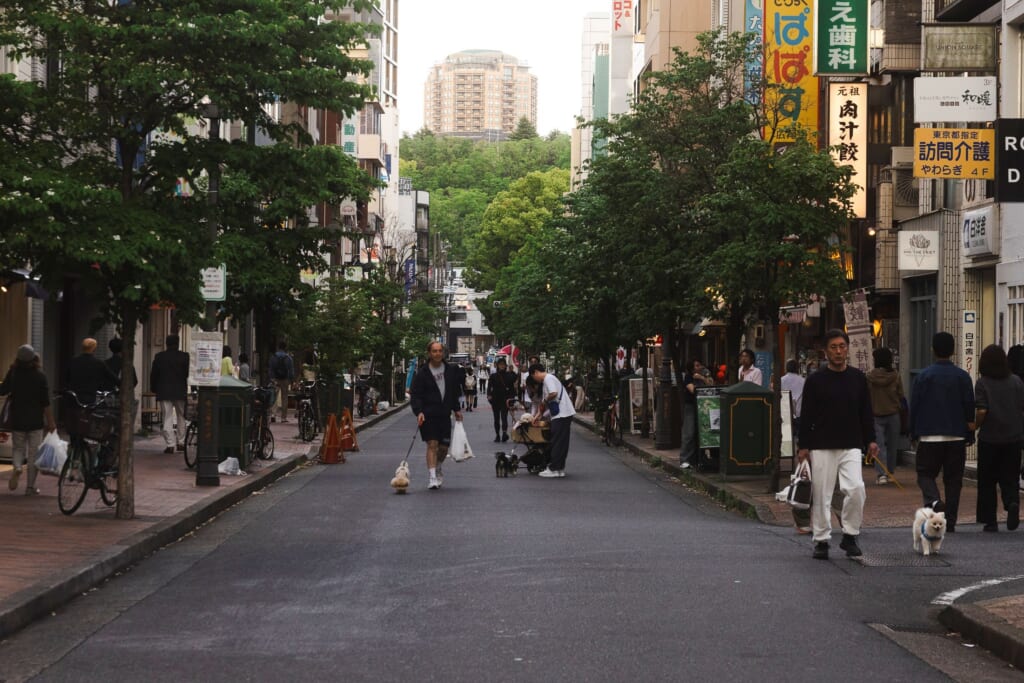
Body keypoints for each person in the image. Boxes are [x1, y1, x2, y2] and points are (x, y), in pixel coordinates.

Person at [798, 329, 877, 560]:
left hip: (851, 443)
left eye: (842, 346)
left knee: (856, 488)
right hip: (821, 444)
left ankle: (850, 535)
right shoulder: (815, 380)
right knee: (822, 494)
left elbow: (865, 411)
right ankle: (821, 540)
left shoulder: (858, 378)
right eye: (833, 347)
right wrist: (803, 445)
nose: (839, 351)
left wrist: (871, 439)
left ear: (848, 349)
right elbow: (807, 415)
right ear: (825, 351)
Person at [909, 331, 975, 533]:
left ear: (933, 350)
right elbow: (969, 406)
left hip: (929, 435)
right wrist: (969, 433)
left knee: (925, 474)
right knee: (954, 480)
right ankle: (951, 521)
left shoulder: (923, 376)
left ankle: (935, 501)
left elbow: (915, 406)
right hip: (956, 434)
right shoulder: (962, 377)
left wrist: (913, 432)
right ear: (953, 350)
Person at [973, 344, 1023, 532]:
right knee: (1010, 477)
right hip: (1014, 437)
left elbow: (982, 410)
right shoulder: (1016, 381)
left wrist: (975, 425)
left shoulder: (982, 383)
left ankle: (990, 520)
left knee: (987, 480)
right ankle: (1011, 502)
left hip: (990, 438)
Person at [1, 345, 56, 495]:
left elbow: (3, 390)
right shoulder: (40, 375)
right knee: (33, 454)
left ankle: (18, 467)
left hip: (17, 418)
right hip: (35, 420)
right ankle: (30, 487)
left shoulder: (13, 373)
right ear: (34, 358)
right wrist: (51, 421)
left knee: (18, 448)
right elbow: (45, 402)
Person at [409, 341, 464, 490]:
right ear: (429, 353)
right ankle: (432, 477)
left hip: (444, 414)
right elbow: (416, 394)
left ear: (443, 353)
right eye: (434, 351)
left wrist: (457, 409)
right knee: (432, 444)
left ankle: (438, 466)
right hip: (428, 414)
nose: (437, 354)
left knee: (443, 448)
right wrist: (419, 411)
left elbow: (453, 391)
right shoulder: (423, 373)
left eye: (440, 351)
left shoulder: (450, 370)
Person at [530, 363, 576, 478]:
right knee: (562, 442)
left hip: (561, 414)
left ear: (536, 372)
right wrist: (538, 415)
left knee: (556, 441)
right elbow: (546, 402)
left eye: (533, 377)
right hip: (564, 413)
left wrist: (544, 401)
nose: (535, 380)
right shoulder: (549, 379)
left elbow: (553, 393)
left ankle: (554, 468)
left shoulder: (548, 378)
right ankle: (559, 468)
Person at [866, 347, 904, 486]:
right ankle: (890, 472)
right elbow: (901, 394)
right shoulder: (896, 376)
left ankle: (881, 474)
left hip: (875, 414)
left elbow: (865, 396)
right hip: (893, 414)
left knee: (879, 445)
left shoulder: (869, 377)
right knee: (893, 445)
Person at [150, 334, 190, 454]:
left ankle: (170, 444)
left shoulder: (159, 357)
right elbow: (187, 373)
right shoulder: (185, 356)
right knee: (181, 416)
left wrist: (154, 388)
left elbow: (154, 375)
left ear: (166, 344)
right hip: (180, 391)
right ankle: (181, 442)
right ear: (178, 343)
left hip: (164, 390)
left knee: (167, 417)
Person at [65, 337, 118, 405]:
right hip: (90, 397)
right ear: (94, 348)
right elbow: (112, 377)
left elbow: (67, 378)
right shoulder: (98, 363)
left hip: (75, 397)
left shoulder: (73, 361)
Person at [679, 359, 710, 469]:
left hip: (704, 406)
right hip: (691, 406)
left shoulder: (704, 376)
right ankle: (684, 459)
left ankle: (697, 459)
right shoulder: (688, 377)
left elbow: (711, 384)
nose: (699, 367)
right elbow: (692, 390)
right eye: (696, 365)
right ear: (691, 368)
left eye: (699, 365)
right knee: (689, 432)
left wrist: (702, 378)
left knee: (702, 432)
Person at [487, 357, 517, 442]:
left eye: (503, 365)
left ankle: (504, 433)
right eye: (500, 365)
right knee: (496, 418)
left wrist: (512, 399)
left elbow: (512, 388)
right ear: (497, 366)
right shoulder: (493, 376)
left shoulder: (509, 375)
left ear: (505, 366)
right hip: (495, 399)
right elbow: (489, 387)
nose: (502, 366)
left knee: (504, 417)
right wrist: (489, 395)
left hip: (505, 399)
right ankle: (497, 435)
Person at [269, 341, 295, 423]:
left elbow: (271, 369)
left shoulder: (274, 357)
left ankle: (273, 415)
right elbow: (291, 370)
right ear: (285, 348)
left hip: (275, 379)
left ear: (278, 347)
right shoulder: (288, 358)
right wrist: (291, 380)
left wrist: (272, 378)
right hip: (285, 379)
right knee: (284, 398)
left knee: (274, 397)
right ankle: (283, 417)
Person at [780, 360, 805, 437]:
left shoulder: (781, 380)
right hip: (799, 411)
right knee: (798, 435)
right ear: (797, 368)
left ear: (786, 368)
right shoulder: (803, 380)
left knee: (786, 435)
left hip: (785, 411)